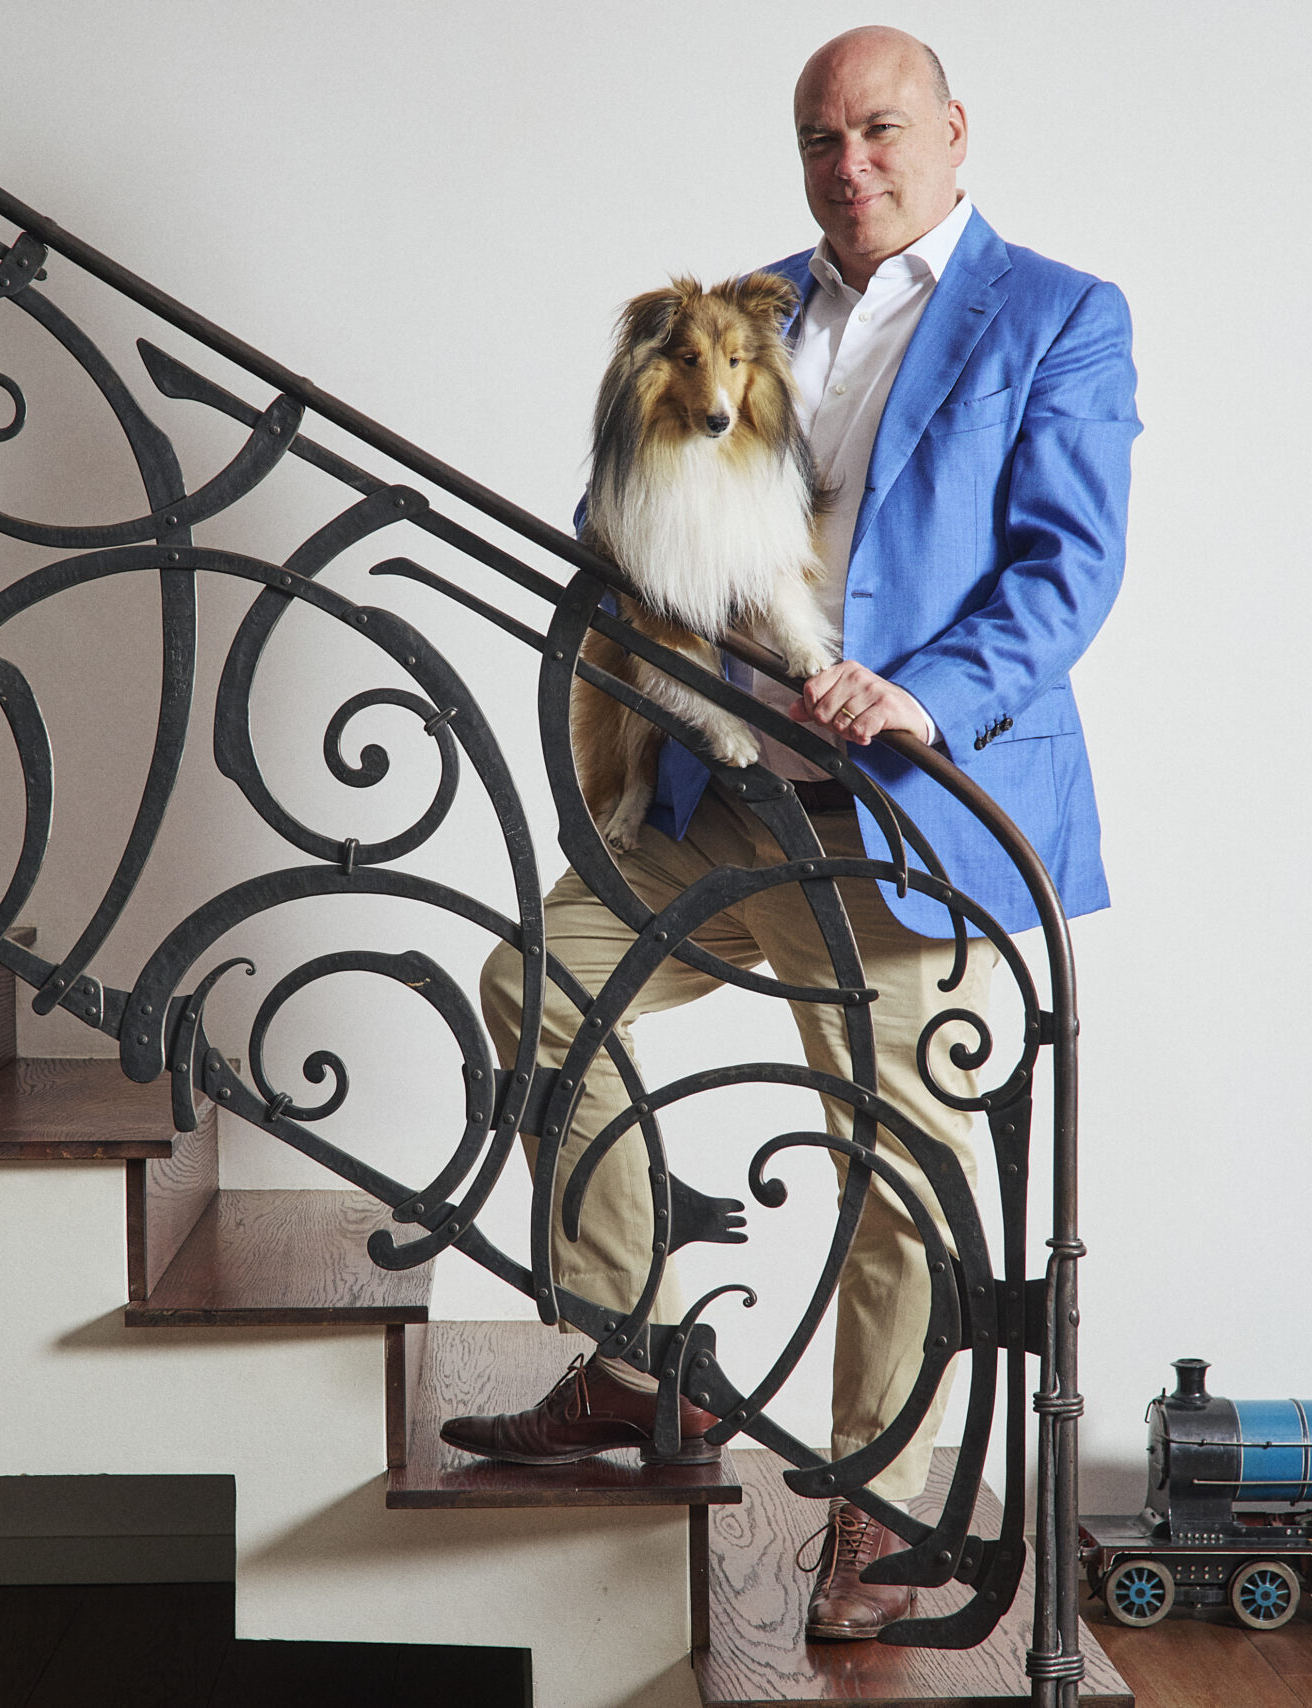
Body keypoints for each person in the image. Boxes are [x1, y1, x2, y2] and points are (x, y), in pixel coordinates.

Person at [448, 25, 1139, 1642]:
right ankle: (640, 1364)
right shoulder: (739, 306)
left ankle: (872, 1512)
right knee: (536, 984)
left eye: (883, 131)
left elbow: (1068, 569)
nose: (853, 166)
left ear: (956, 133)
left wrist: (923, 692)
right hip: (719, 801)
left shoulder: (1058, 319)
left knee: (898, 1171)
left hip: (902, 823)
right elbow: (629, 518)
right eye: (823, 141)